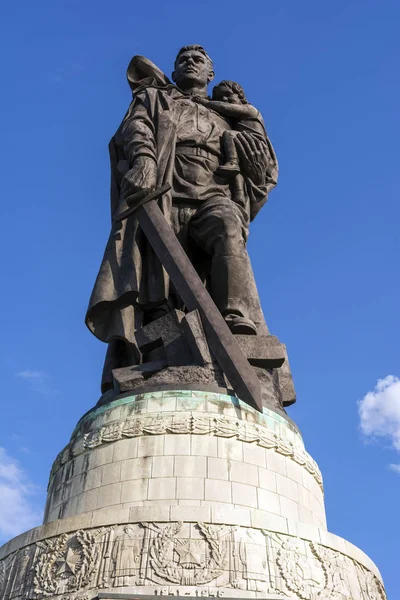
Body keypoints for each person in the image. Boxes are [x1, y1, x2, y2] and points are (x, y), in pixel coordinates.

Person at [85, 45, 278, 392]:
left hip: (212, 195)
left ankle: (235, 319)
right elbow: (136, 130)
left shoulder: (229, 117)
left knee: (228, 227)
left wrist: (252, 134)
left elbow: (262, 169)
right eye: (182, 60)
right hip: (163, 197)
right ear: (174, 73)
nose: (190, 62)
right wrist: (144, 160)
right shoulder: (157, 100)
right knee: (160, 290)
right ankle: (163, 355)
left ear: (210, 74)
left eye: (199, 60)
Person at [194, 80, 266, 179]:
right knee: (237, 175)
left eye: (228, 94)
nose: (224, 98)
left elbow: (226, 108)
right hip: (243, 141)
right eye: (219, 97)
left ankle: (232, 161)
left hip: (253, 141)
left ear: (241, 96)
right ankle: (238, 192)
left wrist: (206, 103)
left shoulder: (250, 109)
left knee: (229, 135)